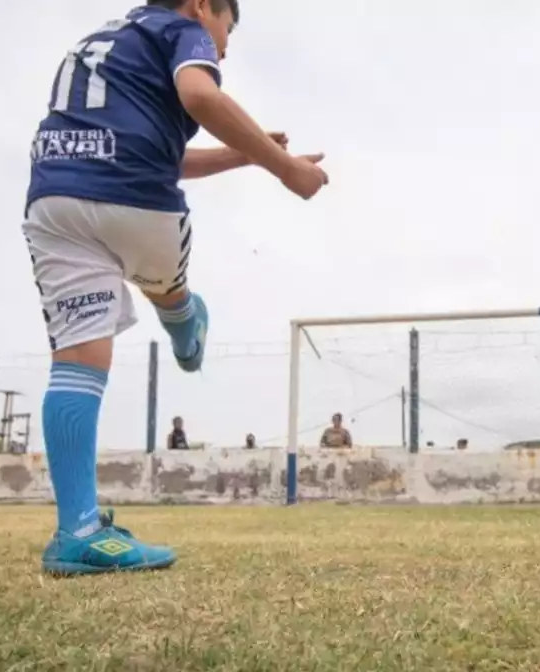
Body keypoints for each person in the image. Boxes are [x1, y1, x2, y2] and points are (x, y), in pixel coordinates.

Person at [22, 0, 328, 576]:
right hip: (136, 202)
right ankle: (181, 312)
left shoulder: (105, 42)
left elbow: (164, 153)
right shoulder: (182, 29)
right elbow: (200, 97)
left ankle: (77, 531)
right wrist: (286, 169)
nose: (226, 45)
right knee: (164, 283)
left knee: (79, 359)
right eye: (227, 27)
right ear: (200, 6)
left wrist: (246, 154)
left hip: (53, 200)